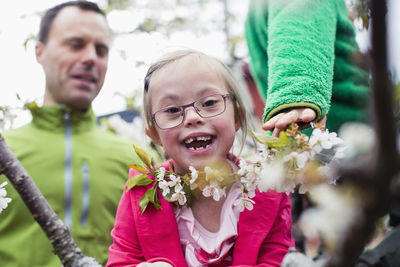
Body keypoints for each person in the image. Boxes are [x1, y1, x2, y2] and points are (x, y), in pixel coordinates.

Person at [106, 50, 295, 267]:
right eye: (173, 110)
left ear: (237, 117)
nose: (193, 118)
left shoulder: (267, 187)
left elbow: (277, 257)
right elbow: (122, 259)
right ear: (154, 134)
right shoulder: (141, 192)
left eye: (209, 103)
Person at [0, 1, 147, 266]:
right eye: (76, 45)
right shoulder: (5, 151)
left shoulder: (139, 161)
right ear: (39, 52)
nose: (91, 58)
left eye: (101, 50)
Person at [245, 0, 370, 136]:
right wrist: (296, 93)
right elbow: (299, 23)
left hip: (293, 136)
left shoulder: (254, 12)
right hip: (342, 131)